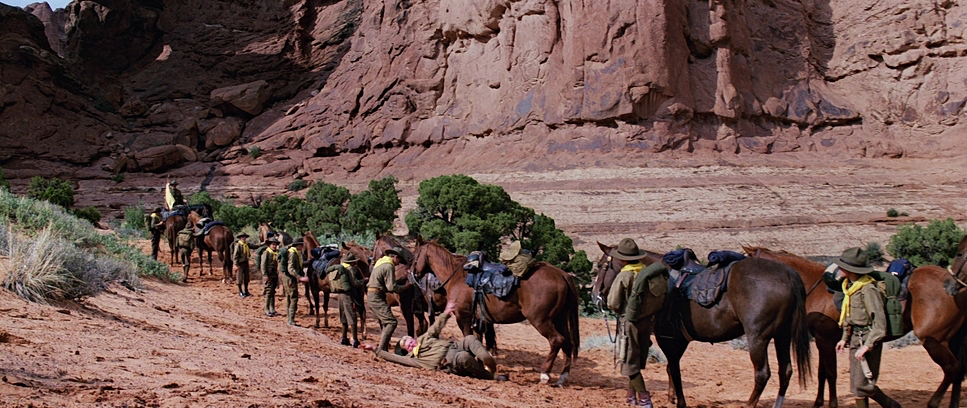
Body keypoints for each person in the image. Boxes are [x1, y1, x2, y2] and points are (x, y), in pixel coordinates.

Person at [834, 247, 901, 408]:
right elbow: (849, 317)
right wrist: (844, 339)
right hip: (856, 339)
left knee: (863, 385)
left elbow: (880, 323)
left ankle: (891, 405)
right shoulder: (850, 288)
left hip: (868, 339)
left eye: (842, 266)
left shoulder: (868, 290)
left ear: (850, 270)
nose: (839, 269)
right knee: (856, 386)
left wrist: (866, 346)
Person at [375, 302, 506, 381]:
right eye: (408, 345)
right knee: (464, 357)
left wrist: (447, 312)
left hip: (455, 346)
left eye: (410, 340)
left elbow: (435, 327)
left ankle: (487, 359)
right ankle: (490, 376)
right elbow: (393, 357)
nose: (411, 344)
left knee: (470, 338)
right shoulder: (414, 359)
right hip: (450, 361)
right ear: (407, 351)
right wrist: (376, 350)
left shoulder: (424, 338)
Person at [607, 238, 664, 408]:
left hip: (629, 322)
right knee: (637, 359)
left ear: (623, 259)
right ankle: (631, 397)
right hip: (647, 322)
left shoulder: (624, 275)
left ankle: (645, 399)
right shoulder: (647, 272)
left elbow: (612, 302)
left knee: (629, 361)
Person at [368, 246, 409, 351]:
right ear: (395, 257)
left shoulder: (381, 263)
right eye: (399, 260)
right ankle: (381, 349)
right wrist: (406, 287)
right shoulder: (389, 266)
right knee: (391, 322)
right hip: (376, 296)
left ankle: (384, 348)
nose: (399, 263)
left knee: (385, 321)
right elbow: (391, 287)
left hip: (374, 295)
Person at [327, 251, 367, 347]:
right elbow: (355, 283)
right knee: (352, 316)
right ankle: (355, 340)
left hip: (340, 295)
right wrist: (364, 280)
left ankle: (344, 337)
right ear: (352, 262)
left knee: (343, 315)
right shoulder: (350, 269)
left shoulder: (340, 268)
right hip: (348, 295)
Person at [281, 237, 305, 326]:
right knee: (293, 298)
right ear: (298, 245)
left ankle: (289, 319)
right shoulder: (293, 254)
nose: (302, 246)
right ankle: (291, 320)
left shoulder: (293, 252)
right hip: (290, 278)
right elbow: (290, 268)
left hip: (287, 277)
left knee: (289, 297)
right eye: (301, 244)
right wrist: (299, 277)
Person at [260, 238, 280, 317]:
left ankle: (272, 309)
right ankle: (266, 309)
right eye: (273, 245)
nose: (274, 246)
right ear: (269, 245)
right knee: (268, 292)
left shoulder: (275, 253)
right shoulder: (266, 253)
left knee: (272, 292)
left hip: (274, 274)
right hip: (268, 274)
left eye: (275, 245)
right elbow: (263, 265)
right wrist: (265, 275)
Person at [232, 232, 252, 298]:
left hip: (246, 262)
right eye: (242, 237)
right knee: (239, 278)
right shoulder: (238, 245)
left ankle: (246, 291)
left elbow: (254, 246)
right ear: (240, 238)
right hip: (240, 264)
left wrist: (263, 243)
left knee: (246, 277)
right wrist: (235, 264)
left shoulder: (247, 244)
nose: (244, 238)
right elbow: (235, 256)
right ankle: (240, 291)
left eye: (244, 237)